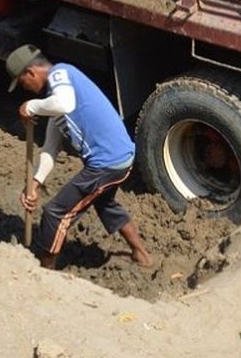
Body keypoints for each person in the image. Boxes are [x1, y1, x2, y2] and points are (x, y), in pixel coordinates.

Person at [9, 47, 152, 270]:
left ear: (31, 72)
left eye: (22, 83)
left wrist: (31, 106)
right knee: (105, 203)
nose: (25, 89)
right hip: (117, 159)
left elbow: (64, 104)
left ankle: (45, 272)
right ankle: (141, 254)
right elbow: (50, 148)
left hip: (107, 162)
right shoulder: (55, 97)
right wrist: (35, 184)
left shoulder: (60, 74)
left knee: (55, 213)